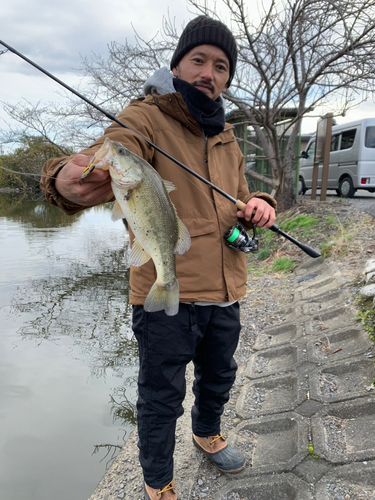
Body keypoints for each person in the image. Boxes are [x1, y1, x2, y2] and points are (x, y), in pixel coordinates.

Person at [40, 15, 277, 500]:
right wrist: (62, 178)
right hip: (164, 287)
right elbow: (105, 154)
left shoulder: (227, 135)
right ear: (177, 66)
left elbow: (238, 196)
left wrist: (259, 207)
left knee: (220, 375)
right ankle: (157, 481)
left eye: (220, 66)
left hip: (226, 286)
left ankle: (207, 433)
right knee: (160, 395)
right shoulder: (145, 117)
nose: (208, 73)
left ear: (227, 78)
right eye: (198, 61)